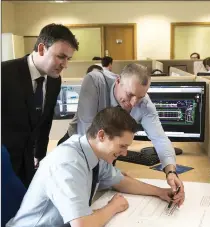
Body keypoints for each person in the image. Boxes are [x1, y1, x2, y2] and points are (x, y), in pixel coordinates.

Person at [5, 106, 185, 227]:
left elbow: (121, 181)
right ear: (101, 135)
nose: (124, 153)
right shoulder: (68, 164)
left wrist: (160, 192)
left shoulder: (91, 150)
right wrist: (113, 207)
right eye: (122, 146)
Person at [58, 63, 184, 194]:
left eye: (140, 97)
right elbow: (87, 134)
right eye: (130, 94)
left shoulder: (144, 104)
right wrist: (111, 174)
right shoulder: (95, 82)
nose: (133, 103)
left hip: (107, 152)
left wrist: (171, 171)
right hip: (78, 146)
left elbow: (160, 138)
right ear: (118, 81)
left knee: (103, 194)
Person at [1, 23, 79, 187]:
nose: (65, 65)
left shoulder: (54, 81)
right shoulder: (5, 74)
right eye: (61, 56)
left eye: (68, 59)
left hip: (28, 163)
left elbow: (45, 122)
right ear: (42, 48)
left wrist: (40, 156)